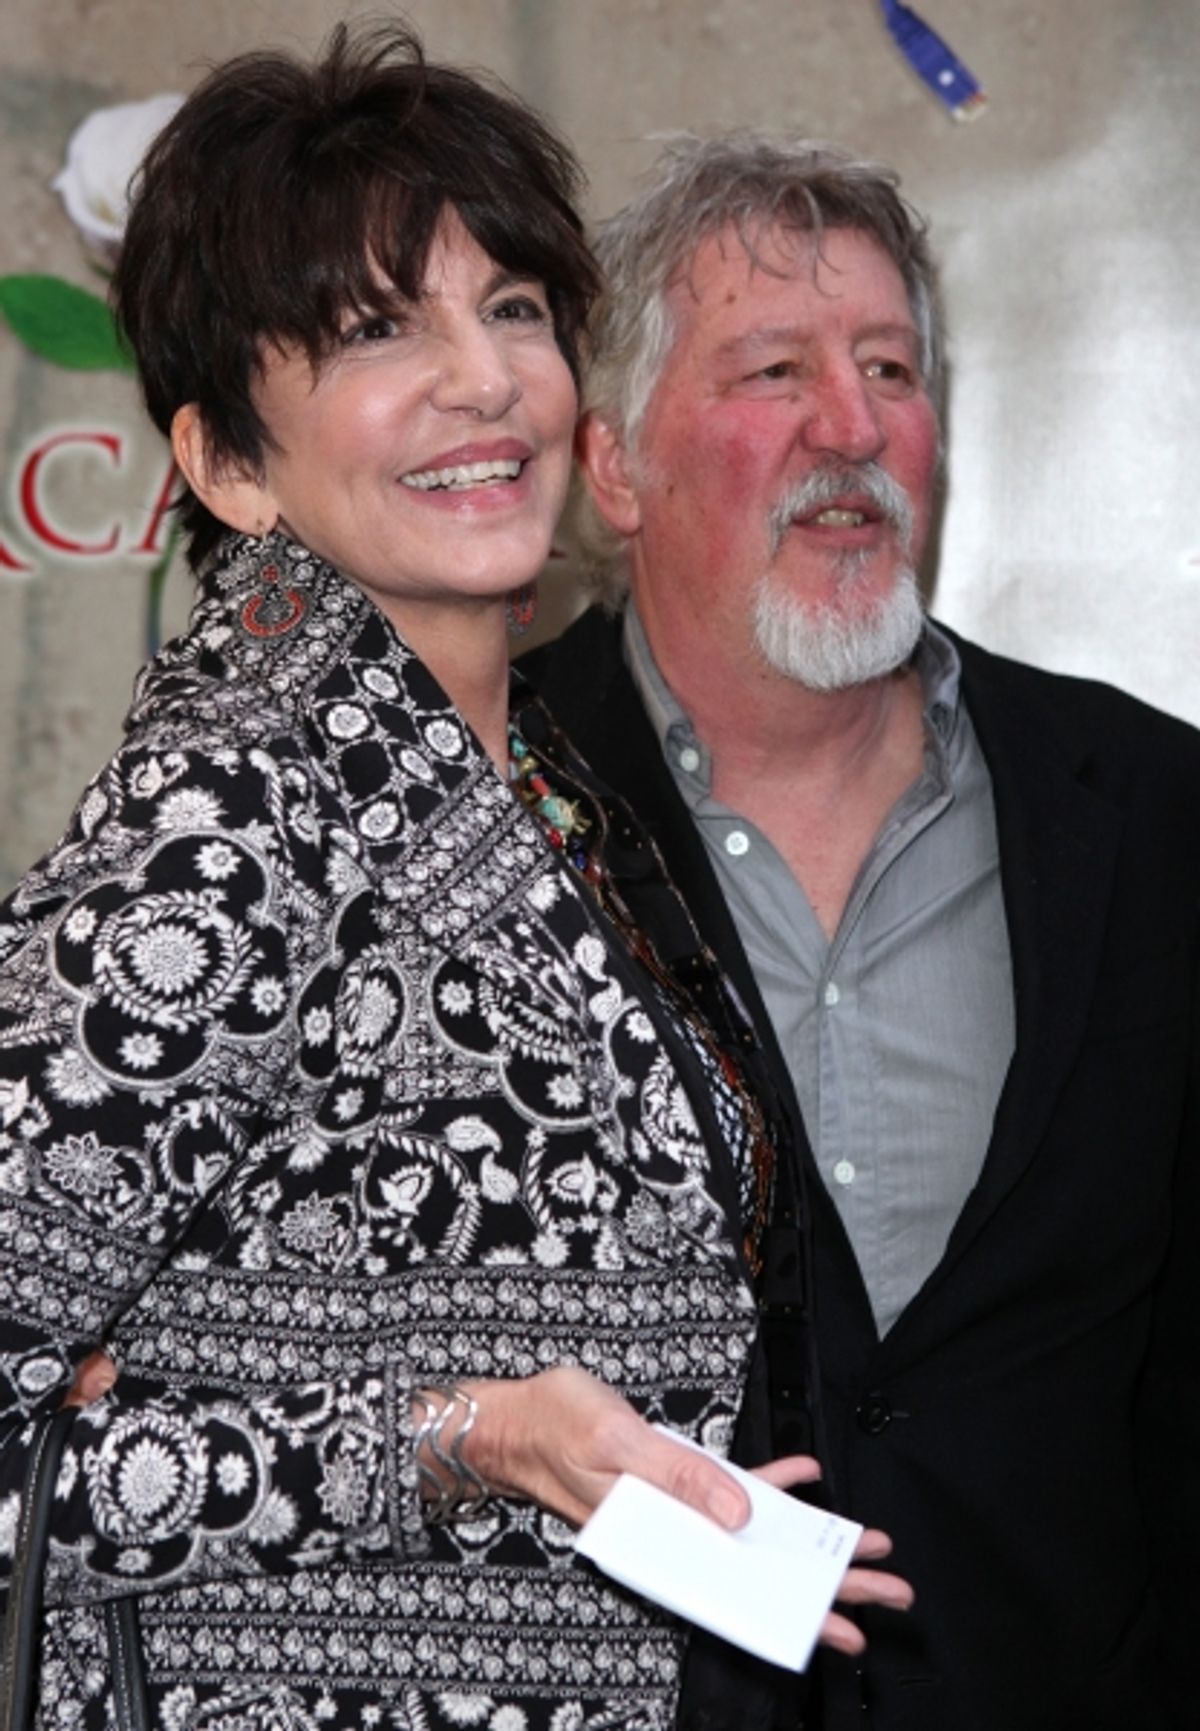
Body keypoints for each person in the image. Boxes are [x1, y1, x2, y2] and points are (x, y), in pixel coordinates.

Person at [0, 50, 911, 1731]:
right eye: (374, 333)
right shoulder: (230, 824)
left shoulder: (534, 783)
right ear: (225, 465)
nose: (481, 381)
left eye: (510, 307)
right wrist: (449, 1443)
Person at [524, 133, 1200, 1731]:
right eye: (774, 371)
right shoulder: (476, 802)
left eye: (888, 367)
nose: (855, 428)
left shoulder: (1155, 812)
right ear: (616, 466)